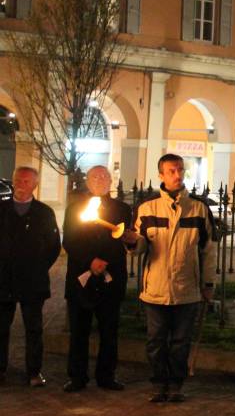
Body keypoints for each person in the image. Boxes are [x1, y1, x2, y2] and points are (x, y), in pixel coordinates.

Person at [126, 154, 216, 403]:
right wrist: (133, 242)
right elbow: (141, 246)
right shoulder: (147, 208)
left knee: (180, 342)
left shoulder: (198, 208)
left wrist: (208, 284)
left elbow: (208, 250)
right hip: (156, 288)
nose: (177, 175)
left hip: (187, 288)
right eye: (171, 171)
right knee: (155, 341)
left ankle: (176, 384)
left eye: (180, 170)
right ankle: (158, 383)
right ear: (161, 175)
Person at [62, 166, 133, 392]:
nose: (100, 180)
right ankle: (77, 376)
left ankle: (106, 376)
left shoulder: (122, 209)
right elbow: (70, 241)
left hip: (111, 277)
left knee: (109, 331)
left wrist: (123, 245)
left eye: (104, 176)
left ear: (111, 181)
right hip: (81, 278)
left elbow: (123, 241)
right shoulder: (75, 209)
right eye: (95, 176)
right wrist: (90, 261)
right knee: (79, 331)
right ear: (88, 181)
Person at [0, 167, 60, 387]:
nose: (21, 185)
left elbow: (54, 246)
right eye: (18, 180)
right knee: (1, 327)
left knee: (34, 328)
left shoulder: (44, 212)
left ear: (35, 185)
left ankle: (34, 371)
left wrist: (38, 266)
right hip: (3, 279)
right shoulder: (2, 208)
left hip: (33, 281)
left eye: (26, 181)